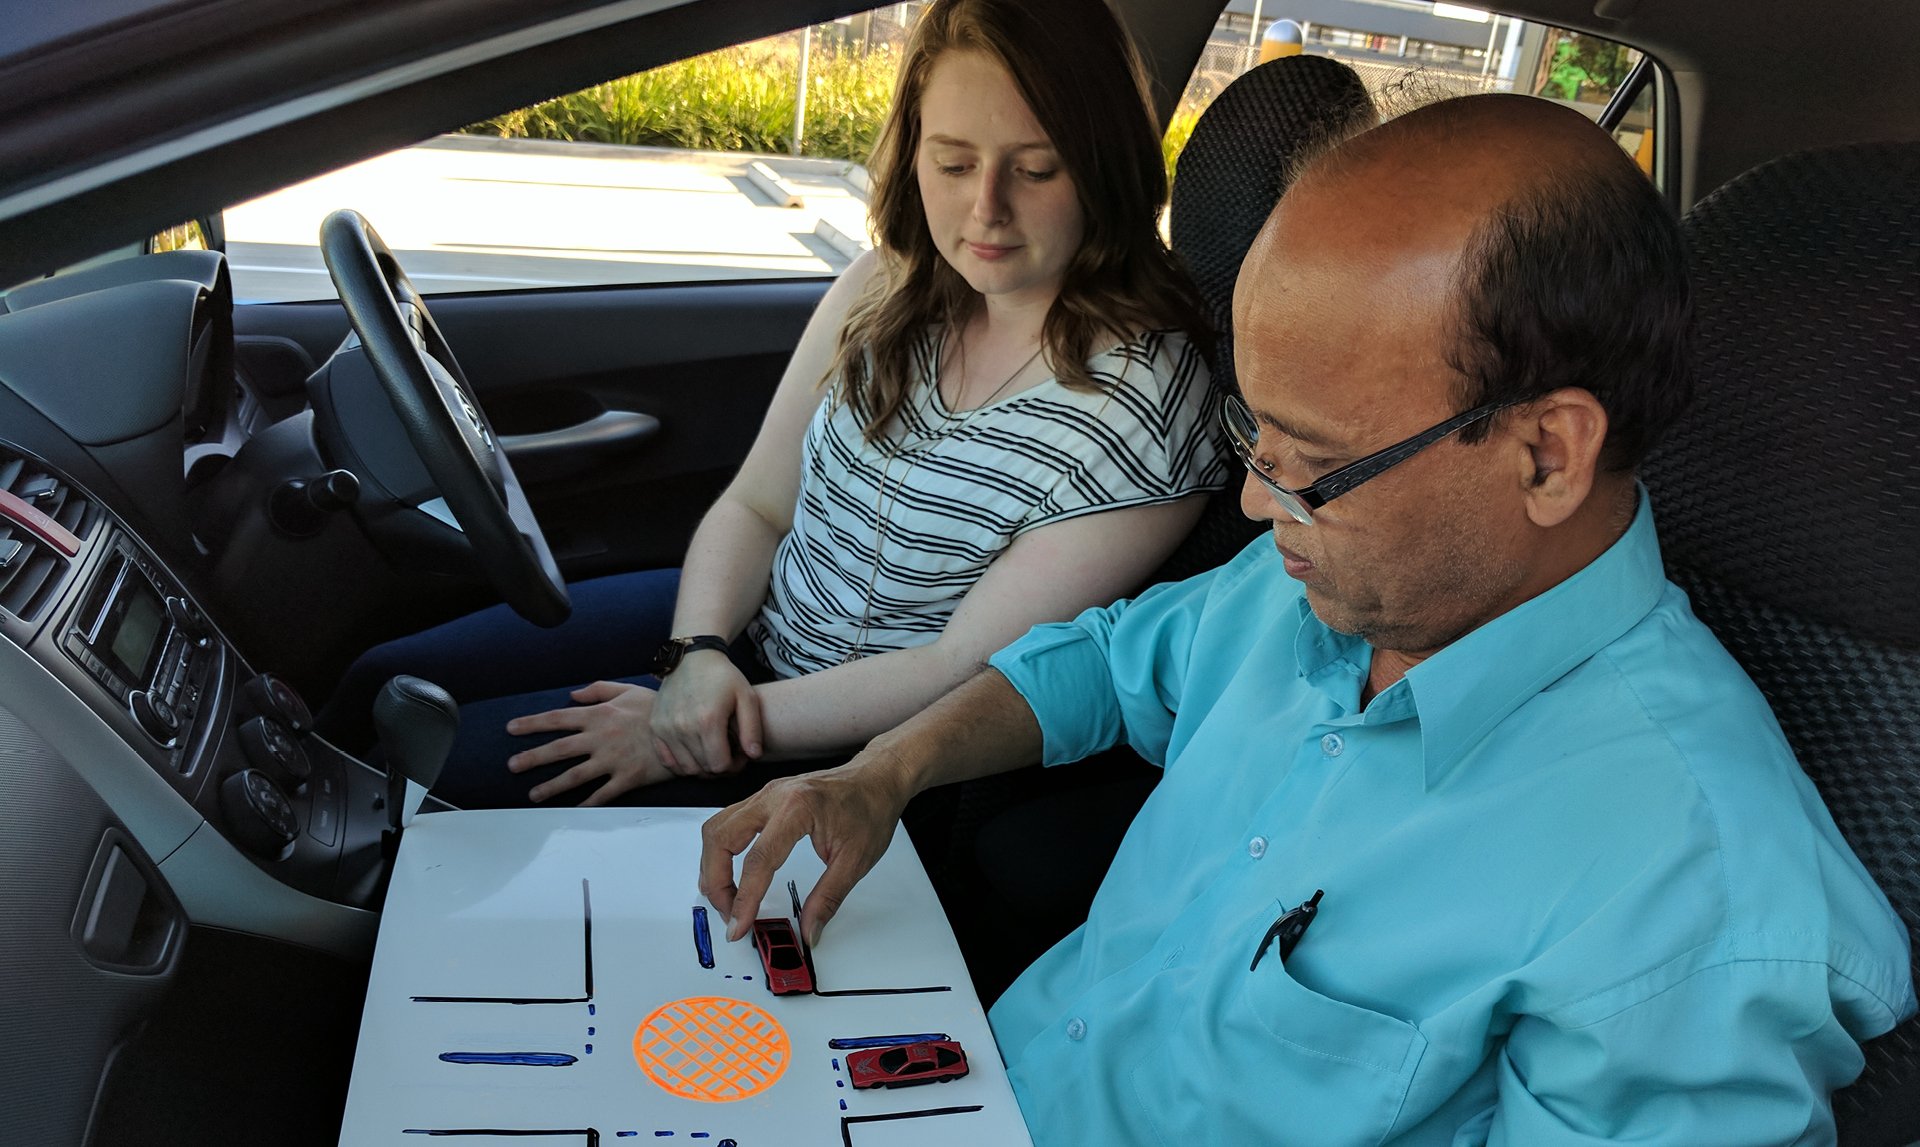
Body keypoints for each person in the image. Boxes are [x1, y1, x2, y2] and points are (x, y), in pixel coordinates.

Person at [697, 94, 1916, 1144]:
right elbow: (1106, 666)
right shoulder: (1318, 583)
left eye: (1311, 461)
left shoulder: (1688, 906)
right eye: (1255, 432)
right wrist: (885, 772)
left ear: (1547, 453)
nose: (1249, 493)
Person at [321, 0, 1228, 808]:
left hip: (845, 753)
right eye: (952, 162)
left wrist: (692, 728)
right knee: (376, 681)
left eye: (1035, 170)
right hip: (738, 639)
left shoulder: (1144, 406)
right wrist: (696, 656)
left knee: (417, 779)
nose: (983, 209)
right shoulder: (891, 281)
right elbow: (757, 503)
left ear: (1106, 169)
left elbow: (960, 670)